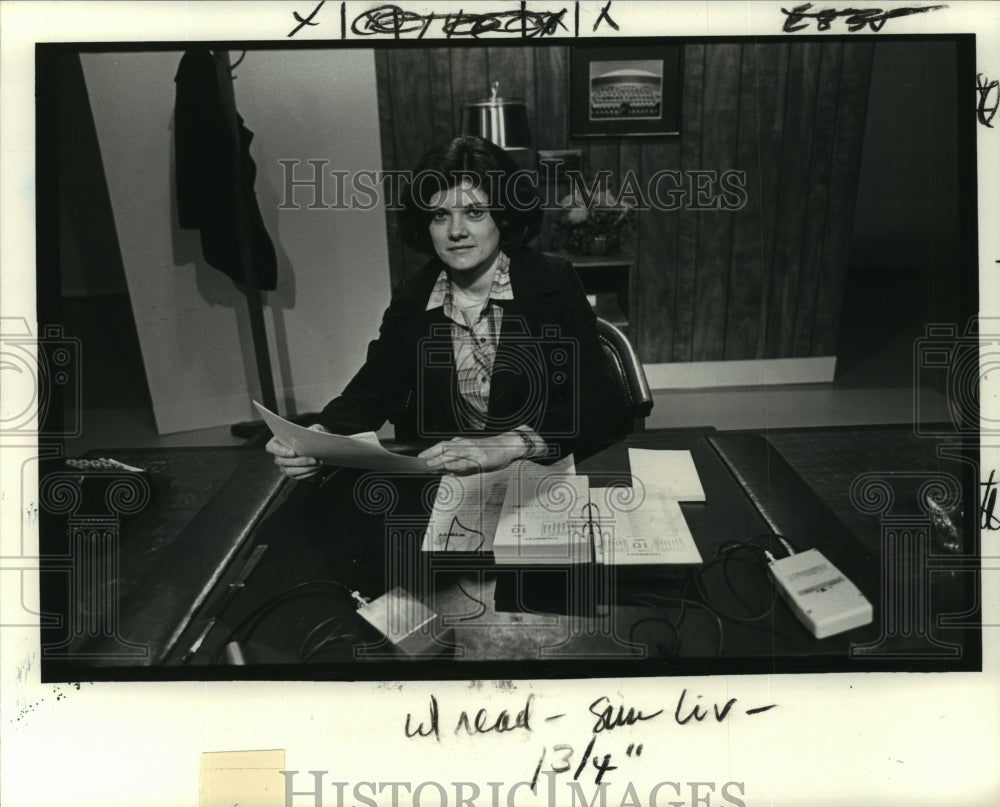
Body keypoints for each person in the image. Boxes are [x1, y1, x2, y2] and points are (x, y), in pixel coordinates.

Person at [267, 135, 628, 479]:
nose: (455, 230)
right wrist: (317, 437)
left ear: (502, 216)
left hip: (540, 474)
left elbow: (601, 402)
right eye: (440, 215)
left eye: (474, 212)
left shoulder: (552, 280)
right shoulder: (414, 294)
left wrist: (515, 442)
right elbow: (370, 392)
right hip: (448, 484)